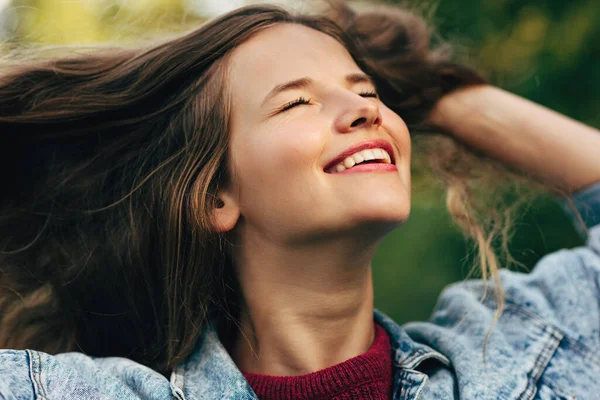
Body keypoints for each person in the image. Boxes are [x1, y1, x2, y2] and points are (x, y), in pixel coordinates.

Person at [0, 2, 599, 399]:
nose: (366, 109)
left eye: (366, 91)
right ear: (216, 197)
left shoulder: (519, 356)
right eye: (296, 102)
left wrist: (438, 92)